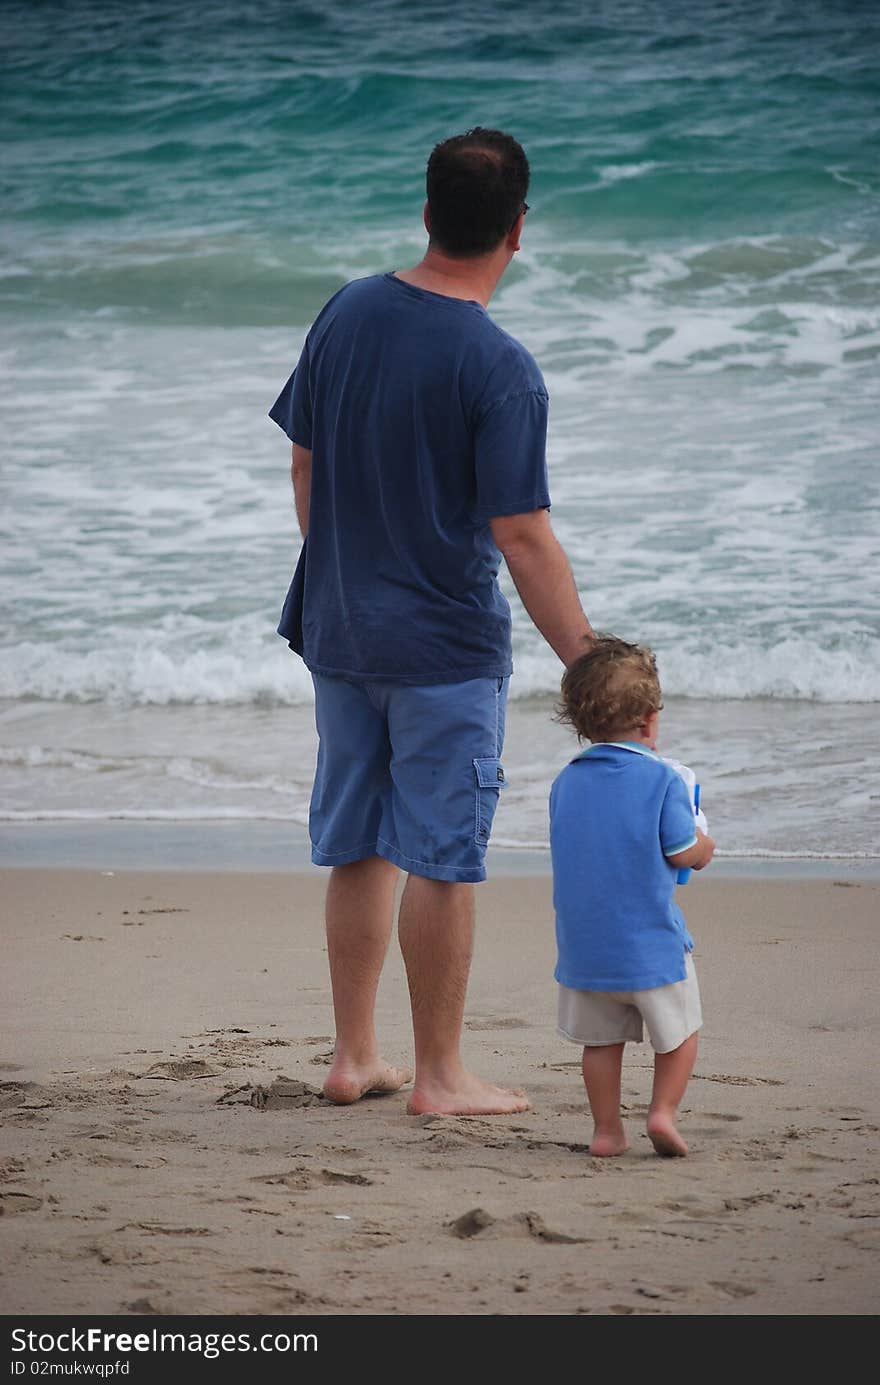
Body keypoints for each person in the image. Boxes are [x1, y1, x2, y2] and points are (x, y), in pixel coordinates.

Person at [270, 128, 594, 1117]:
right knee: (441, 857)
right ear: (518, 230)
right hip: (442, 647)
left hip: (338, 624)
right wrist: (589, 664)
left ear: (425, 211)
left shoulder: (349, 308)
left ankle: (353, 1054)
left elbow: (303, 463)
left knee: (358, 841)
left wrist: (346, 575)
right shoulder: (498, 367)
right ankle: (441, 1075)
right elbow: (522, 535)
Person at [549, 635, 715, 1156]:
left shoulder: (564, 783)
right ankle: (661, 1113)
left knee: (601, 1044)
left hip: (586, 951)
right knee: (681, 1032)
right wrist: (705, 845)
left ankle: (606, 1131)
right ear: (648, 722)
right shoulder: (663, 780)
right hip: (651, 945)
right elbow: (681, 850)